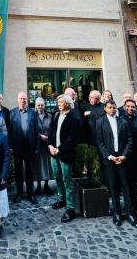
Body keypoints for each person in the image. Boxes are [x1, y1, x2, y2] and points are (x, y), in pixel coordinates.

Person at [96, 100, 137, 228]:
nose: (112, 109)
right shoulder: (100, 122)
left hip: (122, 158)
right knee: (113, 187)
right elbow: (99, 142)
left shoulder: (123, 121)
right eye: (109, 107)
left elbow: (129, 140)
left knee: (126, 186)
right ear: (105, 109)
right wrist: (110, 157)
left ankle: (130, 213)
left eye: (114, 107)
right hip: (109, 159)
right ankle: (116, 213)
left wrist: (124, 155)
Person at [47, 95, 82, 223]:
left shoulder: (74, 118)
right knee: (57, 177)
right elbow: (51, 132)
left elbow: (73, 140)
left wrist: (59, 149)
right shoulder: (56, 115)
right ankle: (61, 199)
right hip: (53, 153)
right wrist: (50, 145)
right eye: (58, 102)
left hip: (65, 154)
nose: (59, 104)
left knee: (67, 180)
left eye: (61, 102)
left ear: (67, 103)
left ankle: (70, 208)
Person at [9, 92, 39, 205]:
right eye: (21, 99)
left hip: (29, 146)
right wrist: (10, 146)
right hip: (17, 146)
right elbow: (10, 132)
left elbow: (36, 130)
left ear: (27, 100)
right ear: (18, 100)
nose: (23, 101)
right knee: (18, 171)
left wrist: (36, 146)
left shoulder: (33, 112)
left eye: (25, 99)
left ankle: (30, 193)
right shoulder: (12, 113)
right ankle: (19, 193)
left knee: (30, 171)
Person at [34, 97, 53, 196]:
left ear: (44, 106)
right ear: (36, 106)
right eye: (38, 105)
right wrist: (39, 136)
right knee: (38, 165)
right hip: (38, 144)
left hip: (47, 144)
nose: (40, 107)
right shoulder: (33, 116)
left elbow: (53, 129)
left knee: (47, 165)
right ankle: (38, 185)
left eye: (42, 105)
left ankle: (46, 185)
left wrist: (48, 137)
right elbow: (31, 130)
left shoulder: (49, 116)